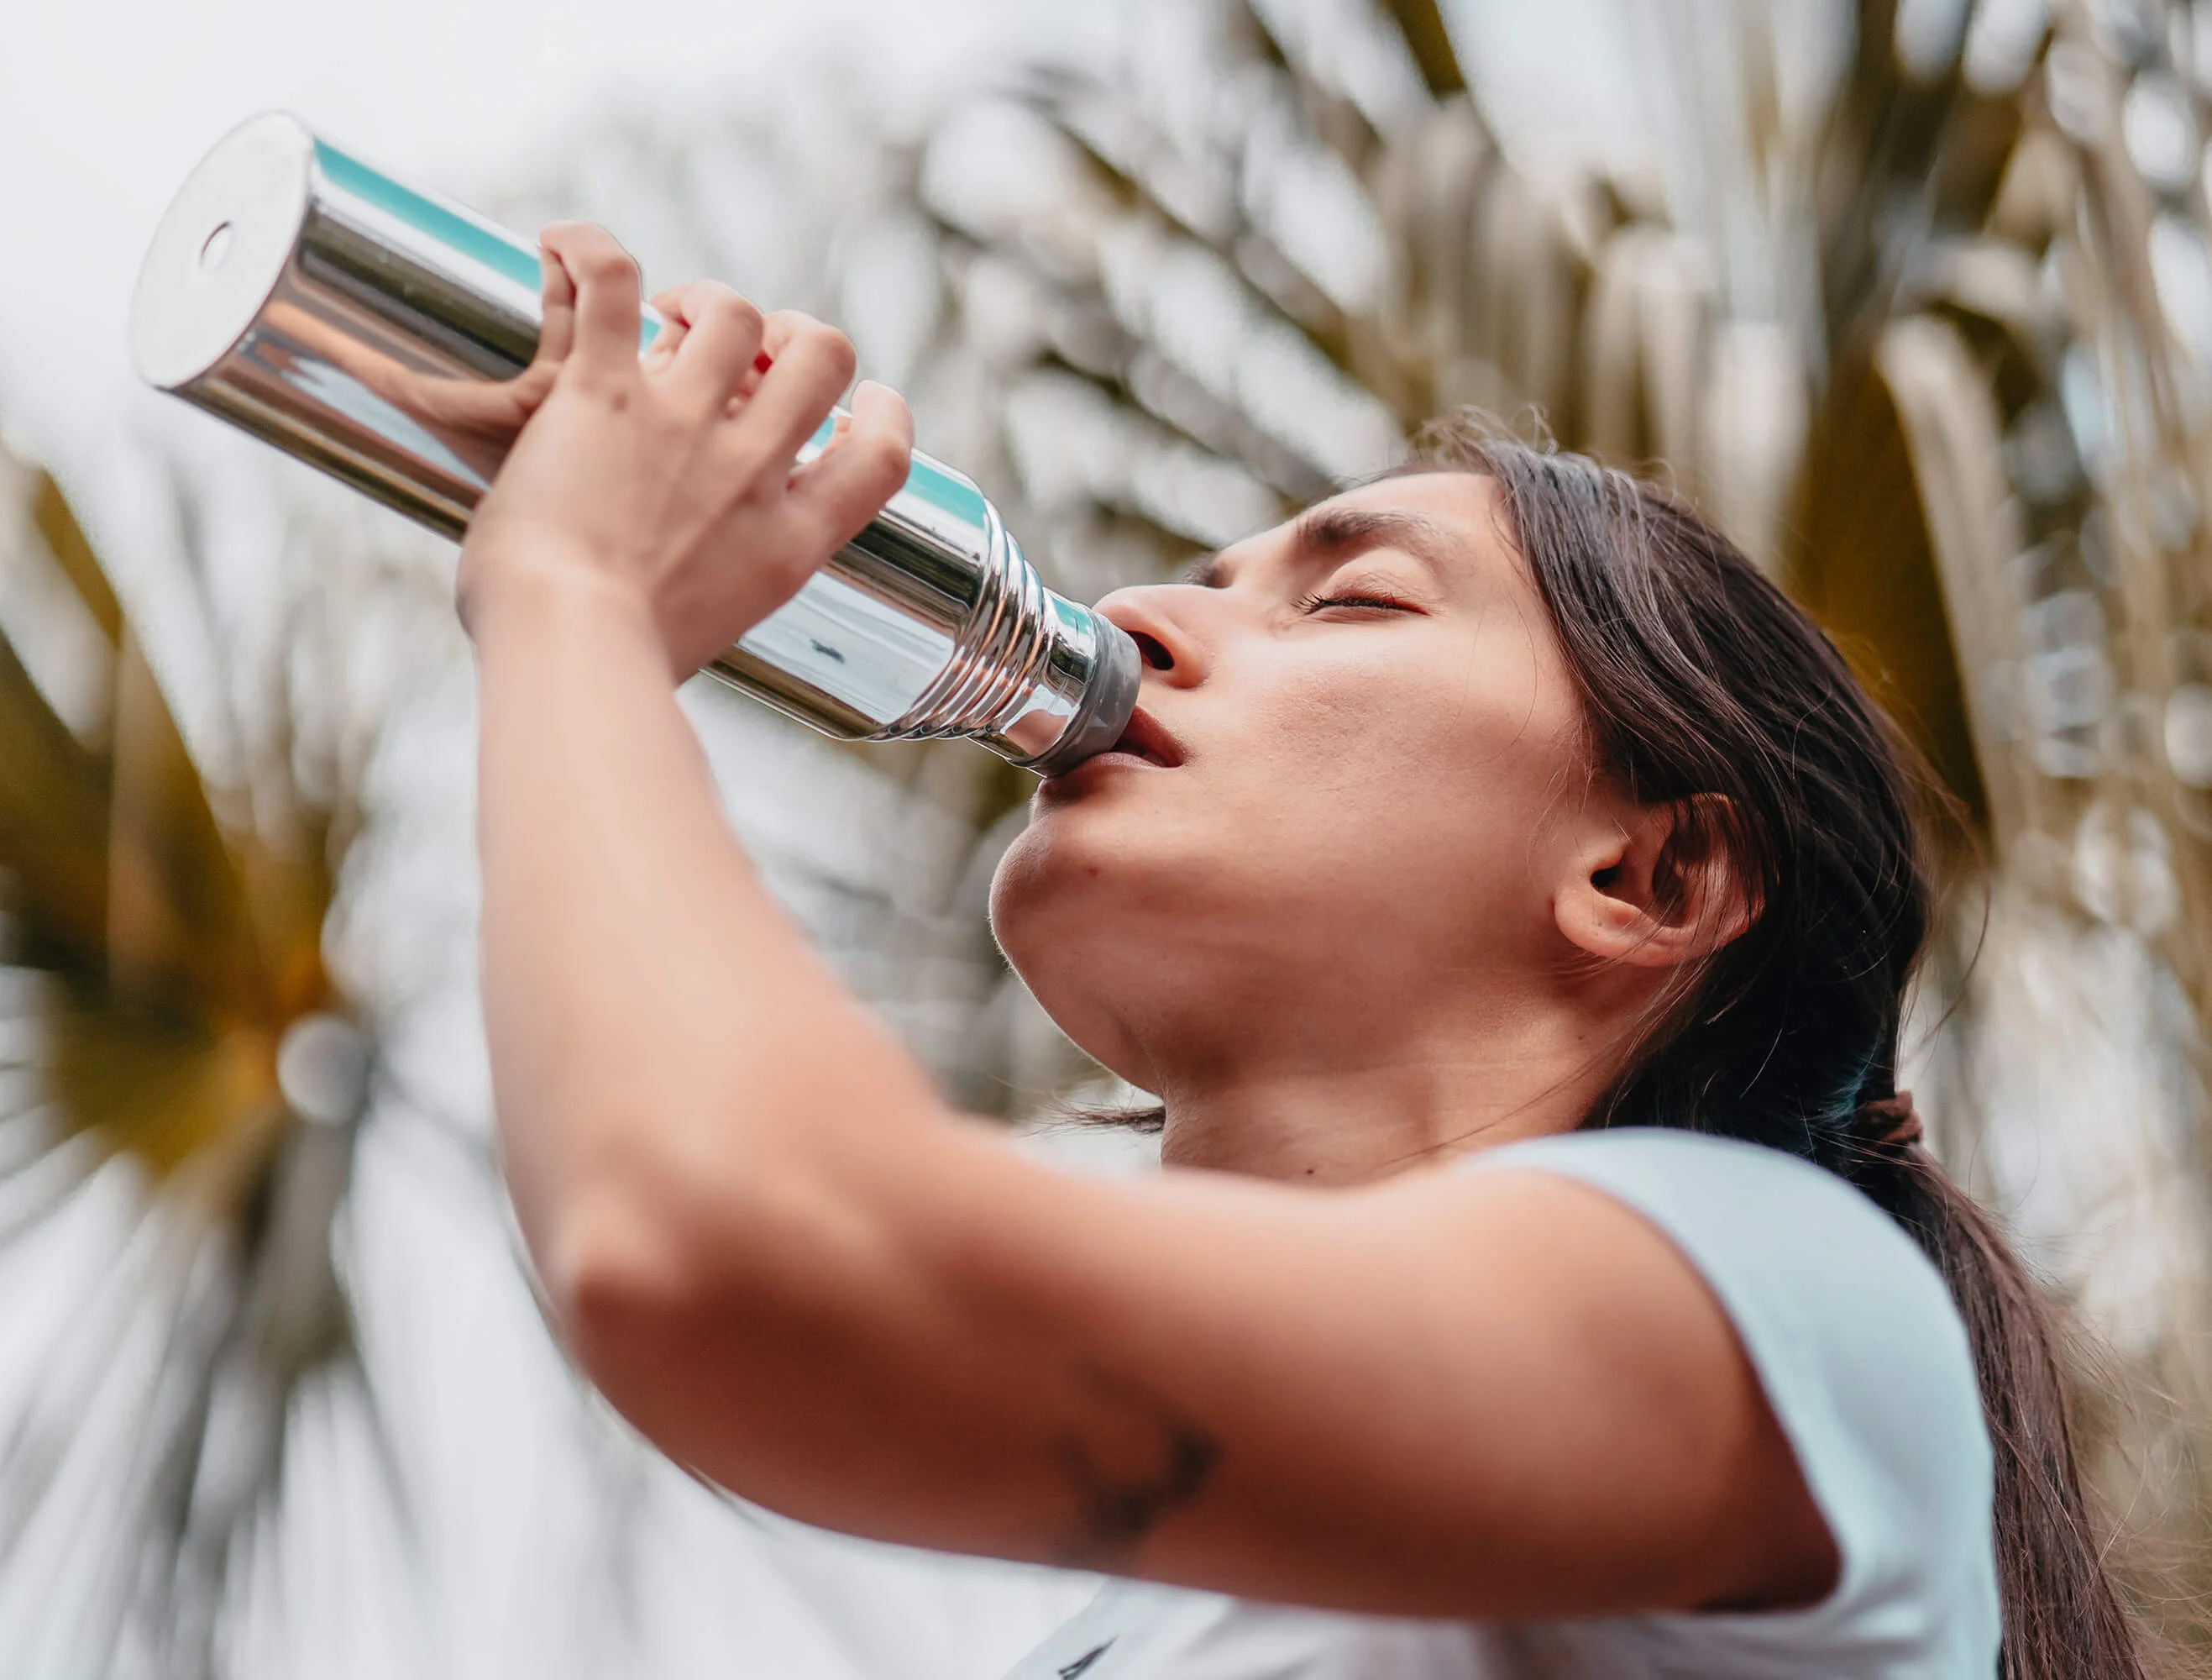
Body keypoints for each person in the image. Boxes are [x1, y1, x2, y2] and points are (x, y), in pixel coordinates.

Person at [459, 223, 2145, 1679]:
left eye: (1349, 604)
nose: (1129, 620)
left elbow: (732, 1252)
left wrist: (575, 602)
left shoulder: (1792, 1295)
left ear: (1646, 870)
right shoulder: (1137, 1618)